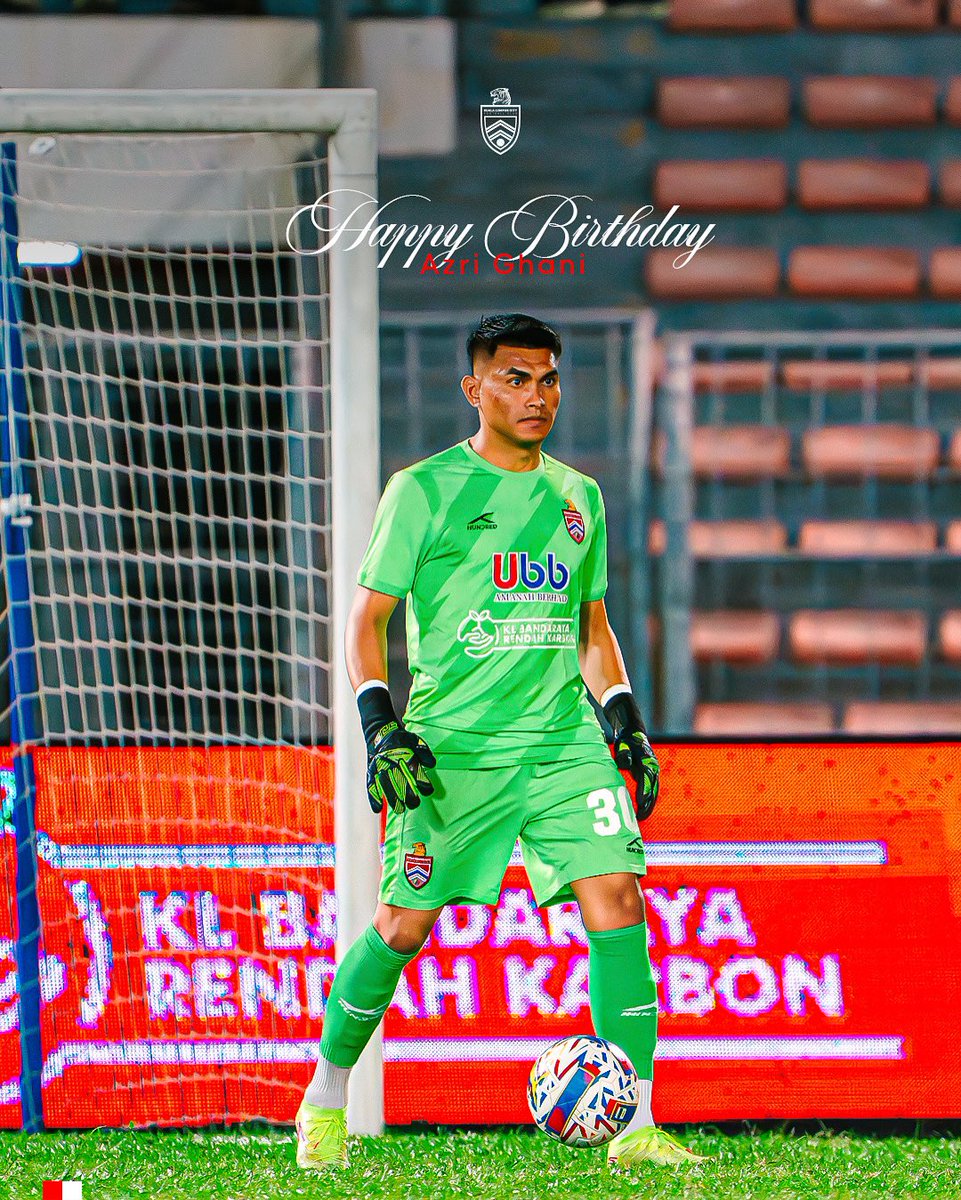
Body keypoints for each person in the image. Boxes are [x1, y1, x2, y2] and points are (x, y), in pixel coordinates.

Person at [295, 312, 706, 1172]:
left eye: (548, 378)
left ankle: (635, 1128)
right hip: (454, 753)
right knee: (401, 926)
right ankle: (323, 1099)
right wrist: (382, 726)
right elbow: (366, 621)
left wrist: (621, 718)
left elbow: (589, 629)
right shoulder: (423, 490)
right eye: (515, 378)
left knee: (619, 901)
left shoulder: (577, 497)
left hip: (562, 746)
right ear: (473, 388)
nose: (536, 395)